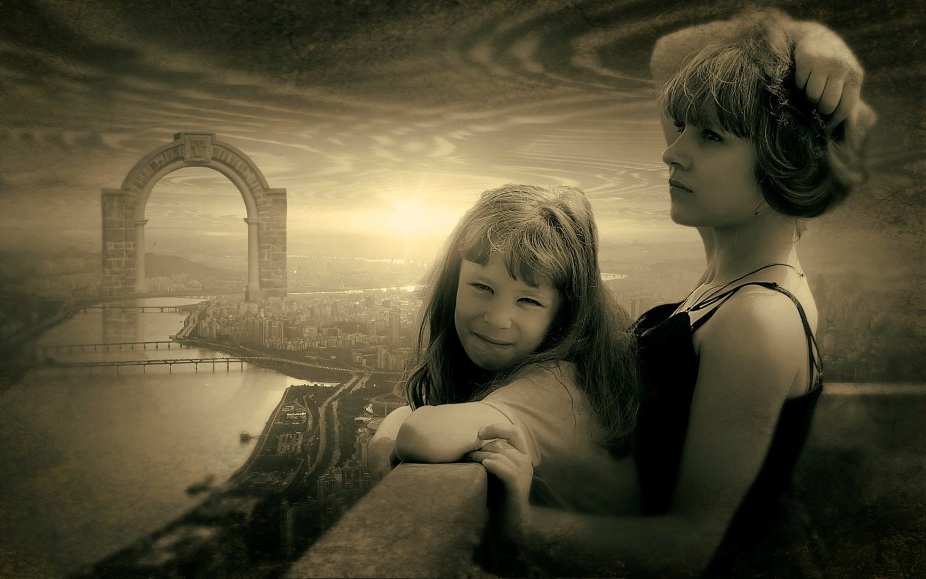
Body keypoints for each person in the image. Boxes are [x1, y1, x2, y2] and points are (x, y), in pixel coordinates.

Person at [468, 9, 876, 577]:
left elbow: (691, 548)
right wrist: (810, 39)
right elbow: (670, 55)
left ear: (779, 158)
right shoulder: (736, 273)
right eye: (685, 126)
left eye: (710, 136)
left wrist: (521, 526)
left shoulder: (755, 319)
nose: (673, 150)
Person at [368, 183, 641, 516]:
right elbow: (406, 415)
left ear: (564, 315)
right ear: (454, 283)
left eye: (528, 300)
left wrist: (382, 445)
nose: (498, 319)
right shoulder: (577, 372)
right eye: (482, 287)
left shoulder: (556, 387)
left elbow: (422, 435)